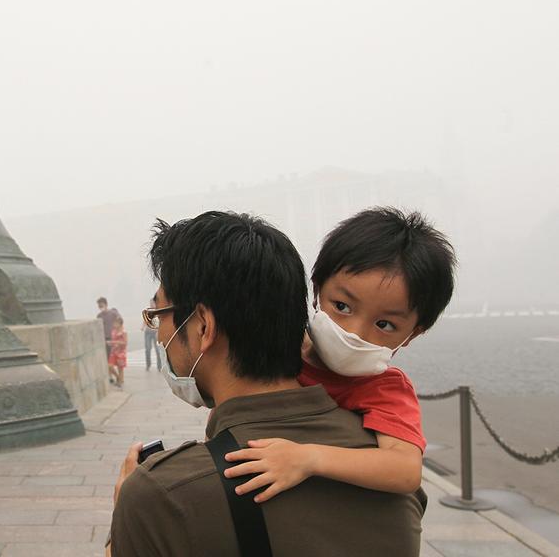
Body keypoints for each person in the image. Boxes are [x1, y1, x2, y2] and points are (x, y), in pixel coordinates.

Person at [107, 211, 425, 557]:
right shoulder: (389, 476)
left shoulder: (161, 497)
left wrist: (127, 519)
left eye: (158, 316)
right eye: (343, 306)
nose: (160, 336)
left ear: (203, 327)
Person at [224, 207, 456, 502]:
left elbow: (405, 470)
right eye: (342, 307)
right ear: (317, 289)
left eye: (384, 324)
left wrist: (308, 458)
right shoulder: (280, 347)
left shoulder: (384, 390)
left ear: (412, 334)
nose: (355, 332)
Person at [96, 297, 121, 382]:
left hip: (114, 339)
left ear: (106, 304)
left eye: (101, 305)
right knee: (107, 360)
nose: (100, 307)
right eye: (99, 306)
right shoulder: (99, 316)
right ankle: (110, 377)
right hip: (105, 340)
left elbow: (120, 322)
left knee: (116, 360)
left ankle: (119, 376)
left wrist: (118, 334)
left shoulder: (113, 313)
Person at [142, 297, 162, 371]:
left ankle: (159, 366)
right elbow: (145, 320)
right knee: (147, 349)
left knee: (157, 350)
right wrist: (143, 327)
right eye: (150, 303)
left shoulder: (158, 311)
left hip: (155, 333)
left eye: (153, 303)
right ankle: (148, 365)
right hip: (148, 332)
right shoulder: (148, 311)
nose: (151, 304)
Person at [108, 315, 128, 388]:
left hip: (121, 353)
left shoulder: (124, 332)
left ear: (120, 324)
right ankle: (118, 377)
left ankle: (120, 382)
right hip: (113, 351)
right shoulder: (113, 331)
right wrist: (111, 343)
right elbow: (113, 340)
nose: (114, 324)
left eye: (115, 323)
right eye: (114, 323)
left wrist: (114, 342)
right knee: (109, 366)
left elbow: (125, 343)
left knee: (120, 368)